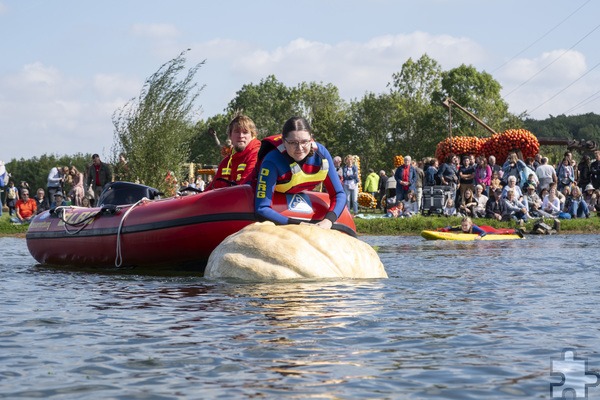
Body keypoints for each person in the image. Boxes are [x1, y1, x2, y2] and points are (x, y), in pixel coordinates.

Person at [254, 116, 346, 228]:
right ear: (284, 141)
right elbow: (261, 208)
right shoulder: (272, 161)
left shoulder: (322, 156)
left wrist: (328, 221)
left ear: (311, 139)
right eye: (293, 142)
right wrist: (298, 225)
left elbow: (339, 194)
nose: (300, 148)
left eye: (304, 142)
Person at [206, 114, 261, 191]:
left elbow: (244, 189)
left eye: (245, 132)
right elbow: (210, 190)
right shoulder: (226, 162)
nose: (241, 136)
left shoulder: (256, 155)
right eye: (237, 131)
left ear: (253, 135)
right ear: (230, 135)